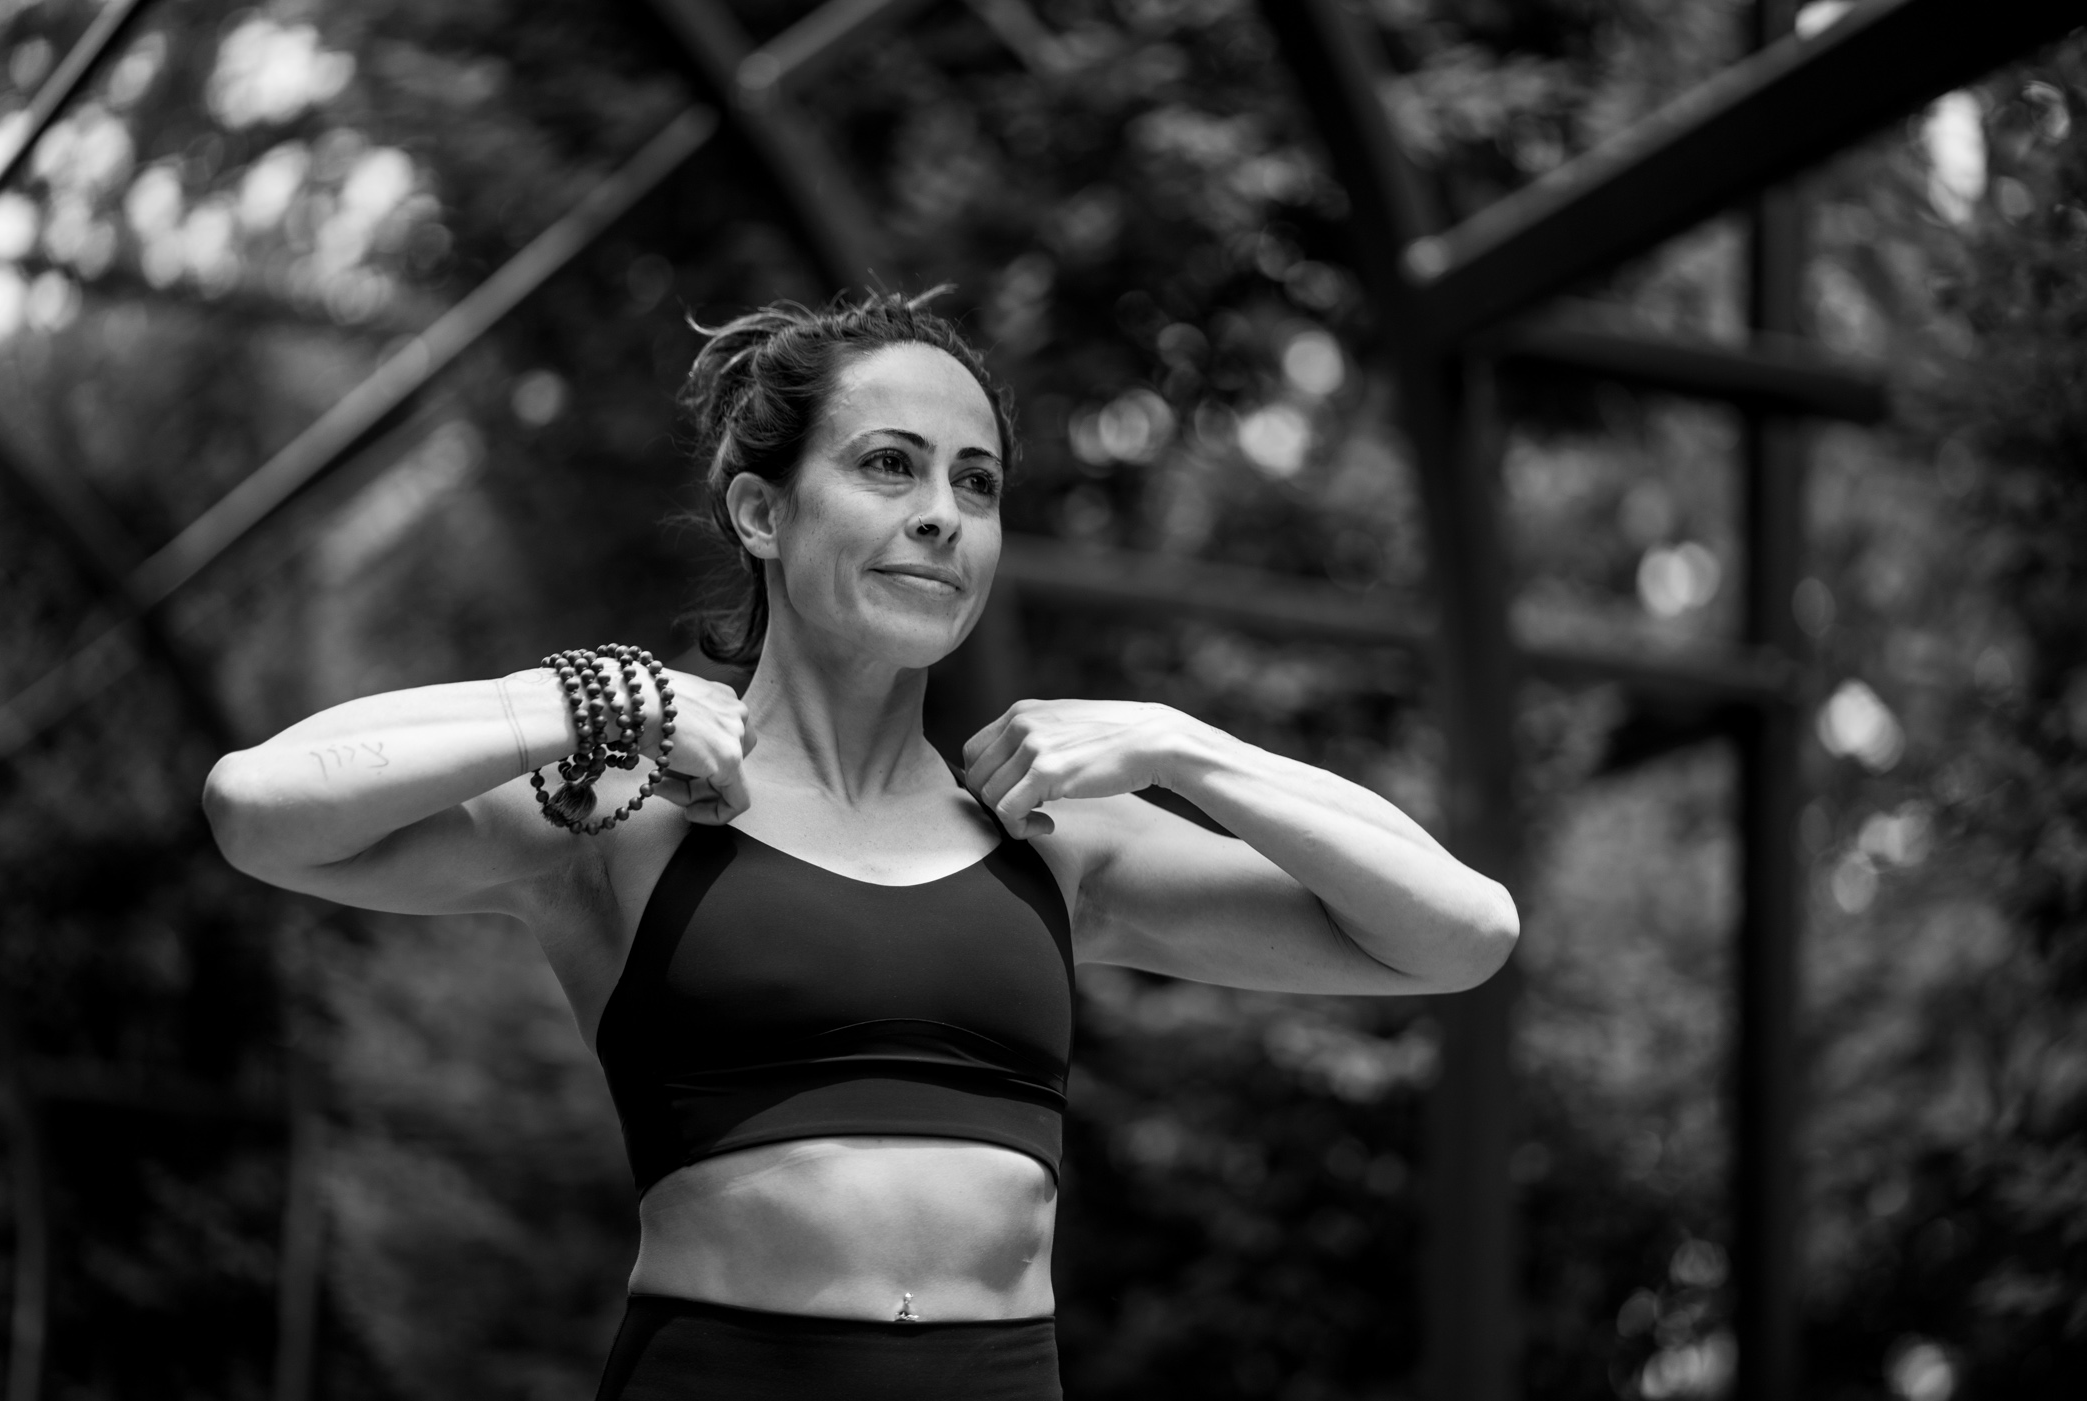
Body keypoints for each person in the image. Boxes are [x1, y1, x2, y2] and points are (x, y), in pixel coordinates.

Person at [202, 290, 1518, 1400]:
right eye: (890, 464)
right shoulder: (628, 805)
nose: (942, 512)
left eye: (976, 482)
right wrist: (581, 701)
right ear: (761, 513)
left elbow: (1460, 935)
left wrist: (1187, 748)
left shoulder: (1048, 833)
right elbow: (259, 808)